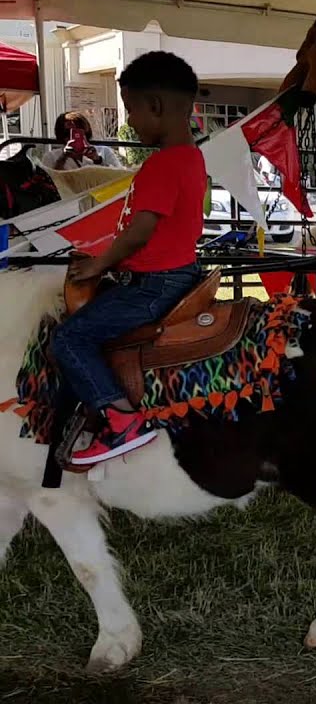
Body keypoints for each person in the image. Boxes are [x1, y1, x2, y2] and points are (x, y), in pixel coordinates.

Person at [50, 51, 206, 467]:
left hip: (154, 286)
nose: (131, 121)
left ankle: (122, 421)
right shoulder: (192, 157)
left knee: (69, 337)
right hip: (179, 275)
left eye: (132, 109)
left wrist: (100, 264)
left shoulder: (161, 165)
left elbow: (141, 230)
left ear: (155, 106)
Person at [43, 112, 124, 171]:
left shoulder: (104, 151)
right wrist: (63, 158)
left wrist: (98, 160)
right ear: (61, 135)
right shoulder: (51, 157)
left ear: (86, 131)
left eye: (79, 132)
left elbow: (120, 176)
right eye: (68, 133)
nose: (74, 137)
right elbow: (49, 183)